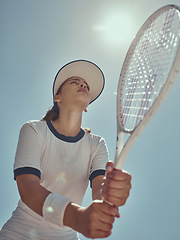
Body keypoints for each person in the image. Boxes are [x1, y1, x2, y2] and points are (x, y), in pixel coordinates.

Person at [0, 60, 131, 240]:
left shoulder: (97, 144)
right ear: (57, 98)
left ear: (86, 106)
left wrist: (112, 192)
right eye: (74, 82)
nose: (83, 84)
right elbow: (28, 187)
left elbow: (99, 188)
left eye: (85, 85)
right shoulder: (33, 130)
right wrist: (76, 217)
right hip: (19, 232)